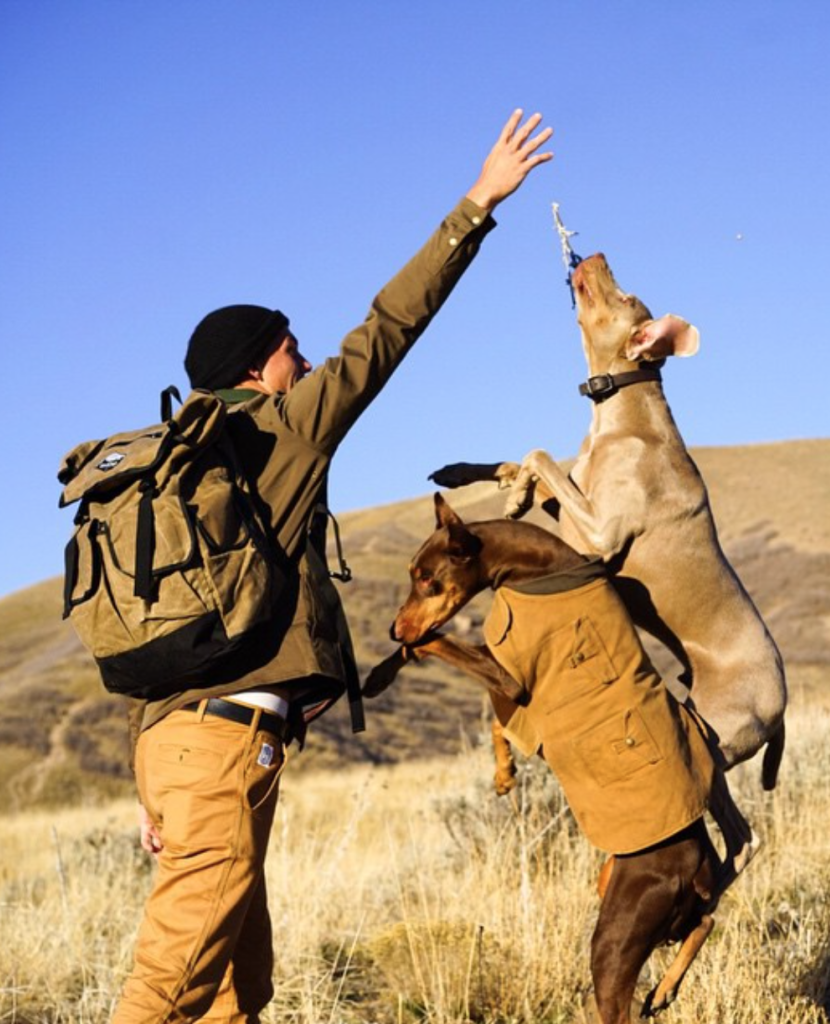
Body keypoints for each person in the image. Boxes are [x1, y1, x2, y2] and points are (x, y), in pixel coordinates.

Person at [112, 109, 554, 1024]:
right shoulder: (280, 428)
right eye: (290, 350)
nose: (306, 361)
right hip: (223, 749)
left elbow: (158, 637)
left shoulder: (173, 470)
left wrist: (151, 781)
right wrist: (478, 201)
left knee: (238, 987)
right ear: (256, 369)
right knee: (171, 986)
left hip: (183, 745)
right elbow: (388, 329)